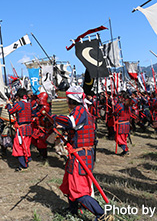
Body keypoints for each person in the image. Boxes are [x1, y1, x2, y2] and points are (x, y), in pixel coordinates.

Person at [52, 86, 106, 220]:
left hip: (81, 155)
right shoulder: (81, 110)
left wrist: (56, 117)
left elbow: (72, 122)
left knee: (79, 189)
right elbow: (76, 128)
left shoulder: (80, 110)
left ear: (72, 100)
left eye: (68, 101)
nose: (67, 103)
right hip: (76, 154)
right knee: (71, 184)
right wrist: (63, 128)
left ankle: (101, 214)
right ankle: (73, 210)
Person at [6, 88, 32, 172]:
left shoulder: (19, 104)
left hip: (22, 129)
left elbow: (10, 111)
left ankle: (23, 165)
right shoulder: (29, 104)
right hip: (28, 128)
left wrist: (9, 104)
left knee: (19, 146)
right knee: (26, 146)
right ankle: (27, 160)